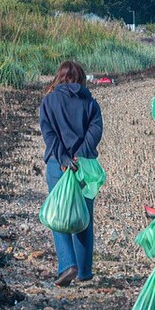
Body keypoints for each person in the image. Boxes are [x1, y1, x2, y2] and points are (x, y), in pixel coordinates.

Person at [39, 60, 103, 287]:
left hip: (58, 165)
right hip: (84, 167)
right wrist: (80, 155)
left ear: (60, 77)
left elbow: (49, 133)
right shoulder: (89, 101)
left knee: (59, 215)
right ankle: (85, 271)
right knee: (84, 218)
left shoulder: (49, 100)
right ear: (80, 78)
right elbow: (95, 130)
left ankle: (67, 265)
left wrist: (65, 157)